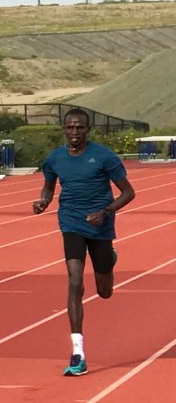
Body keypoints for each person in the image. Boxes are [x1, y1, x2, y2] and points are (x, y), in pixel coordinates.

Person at [32, 107, 135, 376]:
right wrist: (44, 201)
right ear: (64, 129)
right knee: (75, 282)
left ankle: (108, 259)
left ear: (88, 129)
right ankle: (78, 353)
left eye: (79, 127)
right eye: (70, 127)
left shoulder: (103, 156)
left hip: (100, 224)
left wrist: (106, 212)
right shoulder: (55, 158)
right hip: (71, 222)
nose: (75, 131)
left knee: (105, 292)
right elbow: (49, 187)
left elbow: (128, 192)